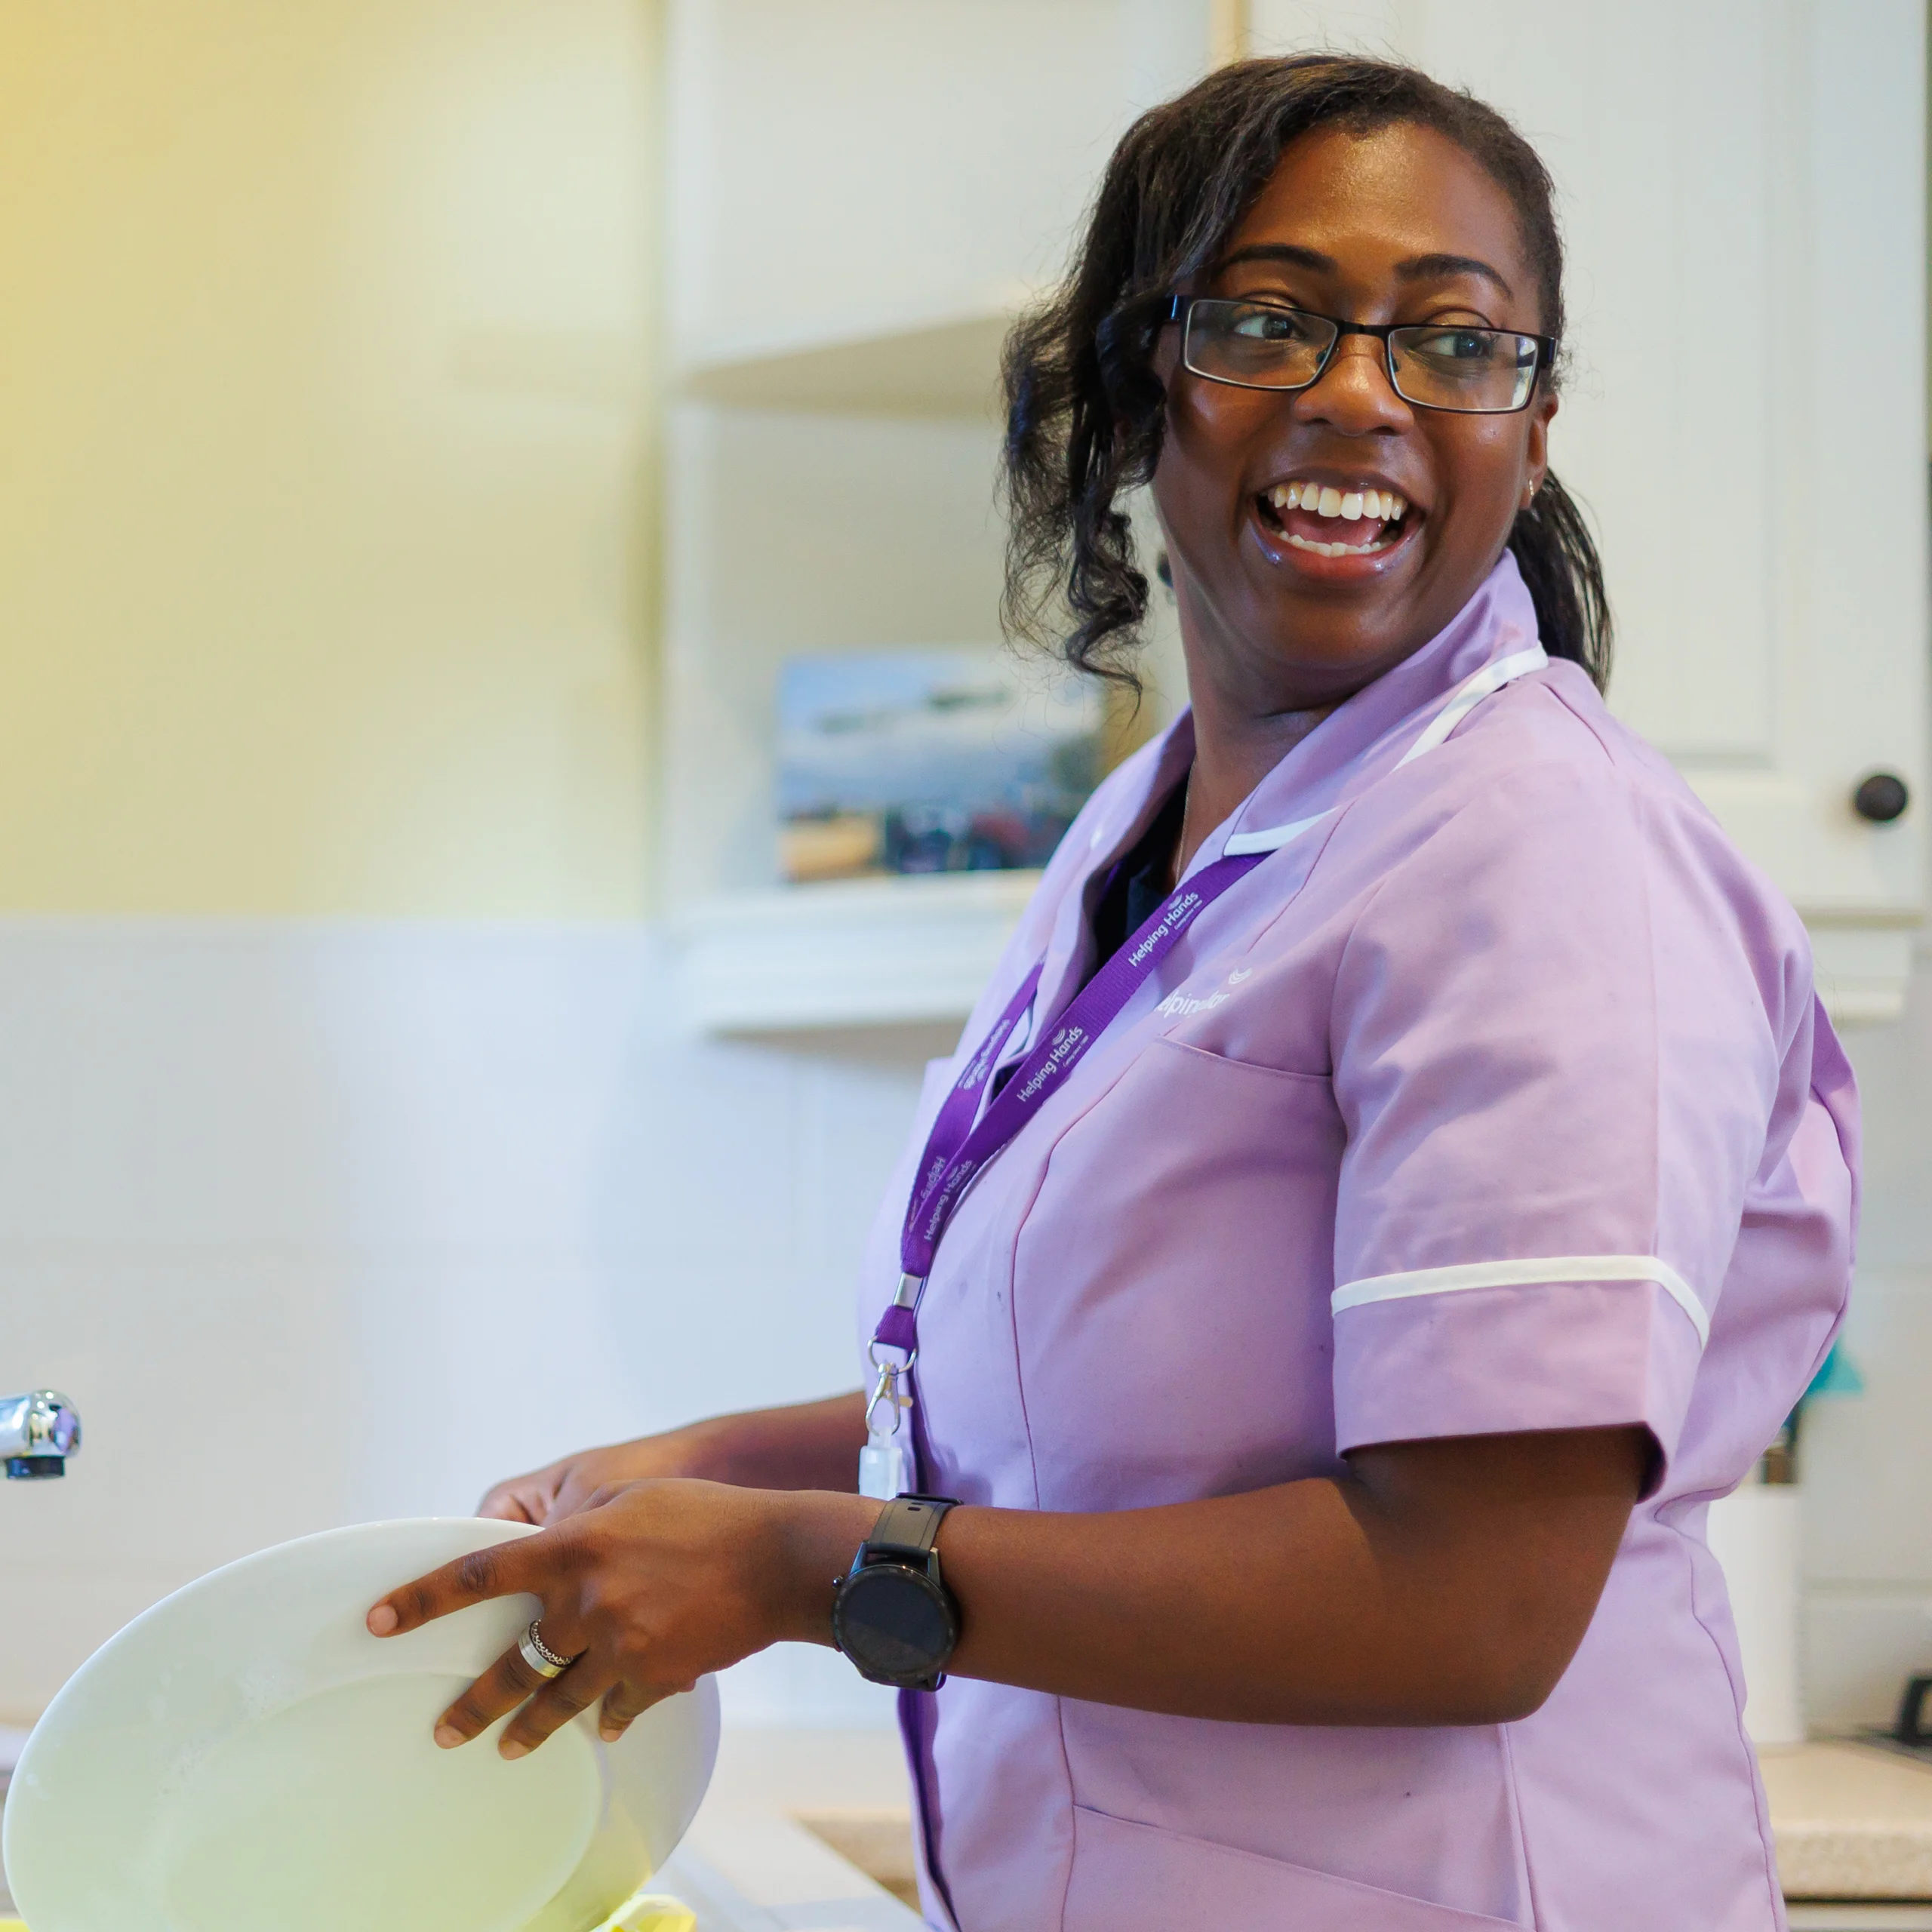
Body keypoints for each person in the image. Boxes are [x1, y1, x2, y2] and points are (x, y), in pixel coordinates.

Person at [367, 55, 1856, 1930]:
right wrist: (705, 1469)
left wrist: (795, 1562)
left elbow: (1469, 1598)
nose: (1356, 394)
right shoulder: (1155, 839)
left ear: (1530, 425)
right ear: (1138, 381)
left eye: (1453, 343)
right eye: (1267, 319)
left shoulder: (1541, 855)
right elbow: (1116, 1403)